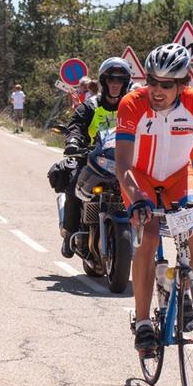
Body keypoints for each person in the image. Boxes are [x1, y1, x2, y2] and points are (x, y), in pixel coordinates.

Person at [115, 43, 193, 355]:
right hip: (139, 177)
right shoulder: (132, 103)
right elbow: (122, 162)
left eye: (167, 85)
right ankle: (143, 323)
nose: (157, 90)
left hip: (178, 177)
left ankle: (180, 285)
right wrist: (136, 198)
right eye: (152, 81)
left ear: (183, 84)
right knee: (150, 234)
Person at [60, 57, 132, 258]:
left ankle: (150, 240)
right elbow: (76, 125)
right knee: (73, 186)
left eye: (120, 79)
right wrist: (73, 141)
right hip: (93, 158)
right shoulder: (91, 105)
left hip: (125, 161)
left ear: (125, 82)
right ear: (104, 81)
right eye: (111, 79)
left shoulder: (132, 106)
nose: (115, 84)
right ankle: (69, 233)